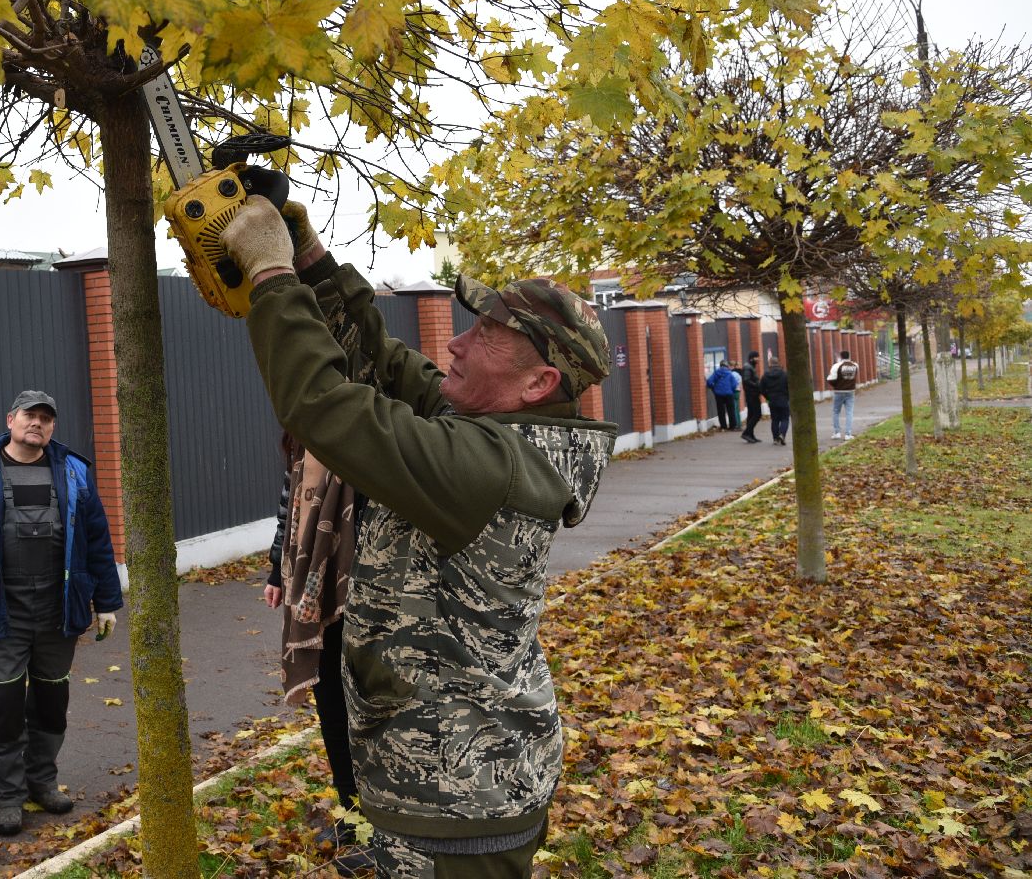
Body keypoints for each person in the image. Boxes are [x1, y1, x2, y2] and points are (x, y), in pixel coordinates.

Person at [220, 195, 616, 879]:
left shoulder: (487, 468)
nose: (456, 344)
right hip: (456, 785)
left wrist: (272, 278)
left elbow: (327, 407)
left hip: (455, 809)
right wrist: (310, 257)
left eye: (486, 337)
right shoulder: (507, 437)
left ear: (539, 381)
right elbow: (391, 367)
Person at [0, 390, 123, 837]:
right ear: (10, 419)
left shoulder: (74, 471)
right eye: (29, 416)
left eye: (45, 418)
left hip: (59, 609)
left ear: (53, 426)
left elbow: (97, 540)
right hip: (3, 609)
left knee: (52, 701)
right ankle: (7, 795)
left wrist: (109, 603)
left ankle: (42, 780)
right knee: (4, 704)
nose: (37, 424)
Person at [264, 435, 365, 874]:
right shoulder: (306, 435)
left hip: (368, 588)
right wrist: (275, 568)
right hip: (314, 588)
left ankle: (383, 822)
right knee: (330, 704)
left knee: (369, 703)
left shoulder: (370, 424)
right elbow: (291, 508)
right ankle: (352, 812)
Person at [759, 354, 791, 445]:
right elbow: (790, 387)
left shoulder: (765, 375)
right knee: (785, 419)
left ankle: (775, 439)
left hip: (772, 400)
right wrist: (787, 396)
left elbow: (761, 388)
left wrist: (768, 397)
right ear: (778, 363)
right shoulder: (785, 374)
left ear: (770, 364)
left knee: (775, 420)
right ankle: (782, 434)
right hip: (783, 400)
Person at [827, 349, 859, 439]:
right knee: (849, 412)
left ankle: (837, 432)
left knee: (836, 411)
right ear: (849, 356)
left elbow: (830, 379)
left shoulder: (836, 366)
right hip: (851, 391)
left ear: (841, 357)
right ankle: (848, 434)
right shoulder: (855, 365)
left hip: (839, 392)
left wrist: (836, 385)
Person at [705, 360, 741, 430]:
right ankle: (732, 426)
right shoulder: (729, 373)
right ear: (727, 366)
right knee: (731, 410)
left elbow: (709, 381)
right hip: (729, 394)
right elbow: (735, 384)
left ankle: (723, 426)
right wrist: (732, 390)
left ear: (720, 365)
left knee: (721, 411)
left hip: (719, 394)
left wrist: (714, 388)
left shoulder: (716, 372)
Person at [740, 352, 764, 443]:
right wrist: (757, 386)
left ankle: (750, 435)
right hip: (752, 394)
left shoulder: (750, 367)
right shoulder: (747, 367)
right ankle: (746, 433)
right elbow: (746, 380)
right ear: (752, 358)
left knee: (751, 415)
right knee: (757, 414)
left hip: (752, 394)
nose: (758, 359)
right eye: (756, 357)